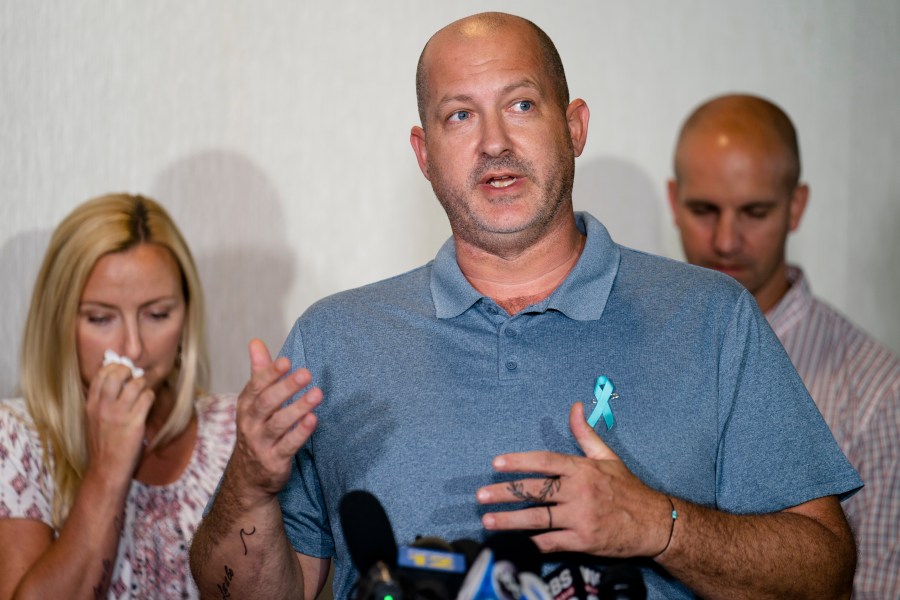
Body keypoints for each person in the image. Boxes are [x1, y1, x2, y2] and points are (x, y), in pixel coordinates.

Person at [190, 13, 861, 600]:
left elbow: (826, 574)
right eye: (459, 115)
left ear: (574, 127)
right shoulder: (333, 340)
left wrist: (658, 526)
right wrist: (247, 485)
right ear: (424, 155)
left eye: (520, 106)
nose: (493, 144)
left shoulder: (712, 317)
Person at [667, 93, 900, 599]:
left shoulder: (879, 393)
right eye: (704, 209)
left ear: (796, 206)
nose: (726, 240)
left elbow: (878, 588)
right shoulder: (643, 340)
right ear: (673, 202)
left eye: (755, 212)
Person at [0, 194, 236, 599]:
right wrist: (107, 472)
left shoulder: (231, 430)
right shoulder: (18, 439)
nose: (133, 348)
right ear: (60, 322)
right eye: (101, 318)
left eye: (157, 314)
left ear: (187, 313)